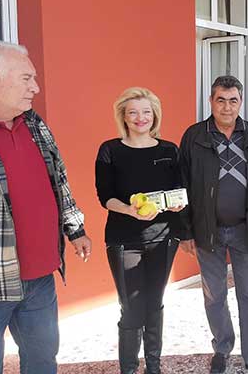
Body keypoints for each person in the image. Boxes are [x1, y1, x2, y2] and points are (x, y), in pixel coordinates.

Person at [0, 43, 92, 374]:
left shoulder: (33, 122)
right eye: (27, 78)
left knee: (43, 364)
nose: (35, 88)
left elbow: (58, 178)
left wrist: (75, 229)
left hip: (39, 280)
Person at [178, 75, 248, 374]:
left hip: (246, 230)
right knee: (214, 295)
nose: (226, 107)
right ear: (211, 101)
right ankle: (222, 349)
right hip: (206, 230)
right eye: (220, 100)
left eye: (233, 100)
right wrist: (185, 231)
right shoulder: (194, 136)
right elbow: (182, 185)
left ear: (241, 102)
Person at [95, 87, 183, 374]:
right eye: (132, 112)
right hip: (124, 241)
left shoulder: (169, 150)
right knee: (131, 308)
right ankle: (130, 369)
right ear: (123, 116)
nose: (140, 117)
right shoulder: (110, 150)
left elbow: (179, 190)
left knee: (155, 303)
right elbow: (105, 196)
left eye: (146, 111)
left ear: (155, 115)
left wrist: (178, 203)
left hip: (163, 239)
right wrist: (128, 209)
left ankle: (153, 367)